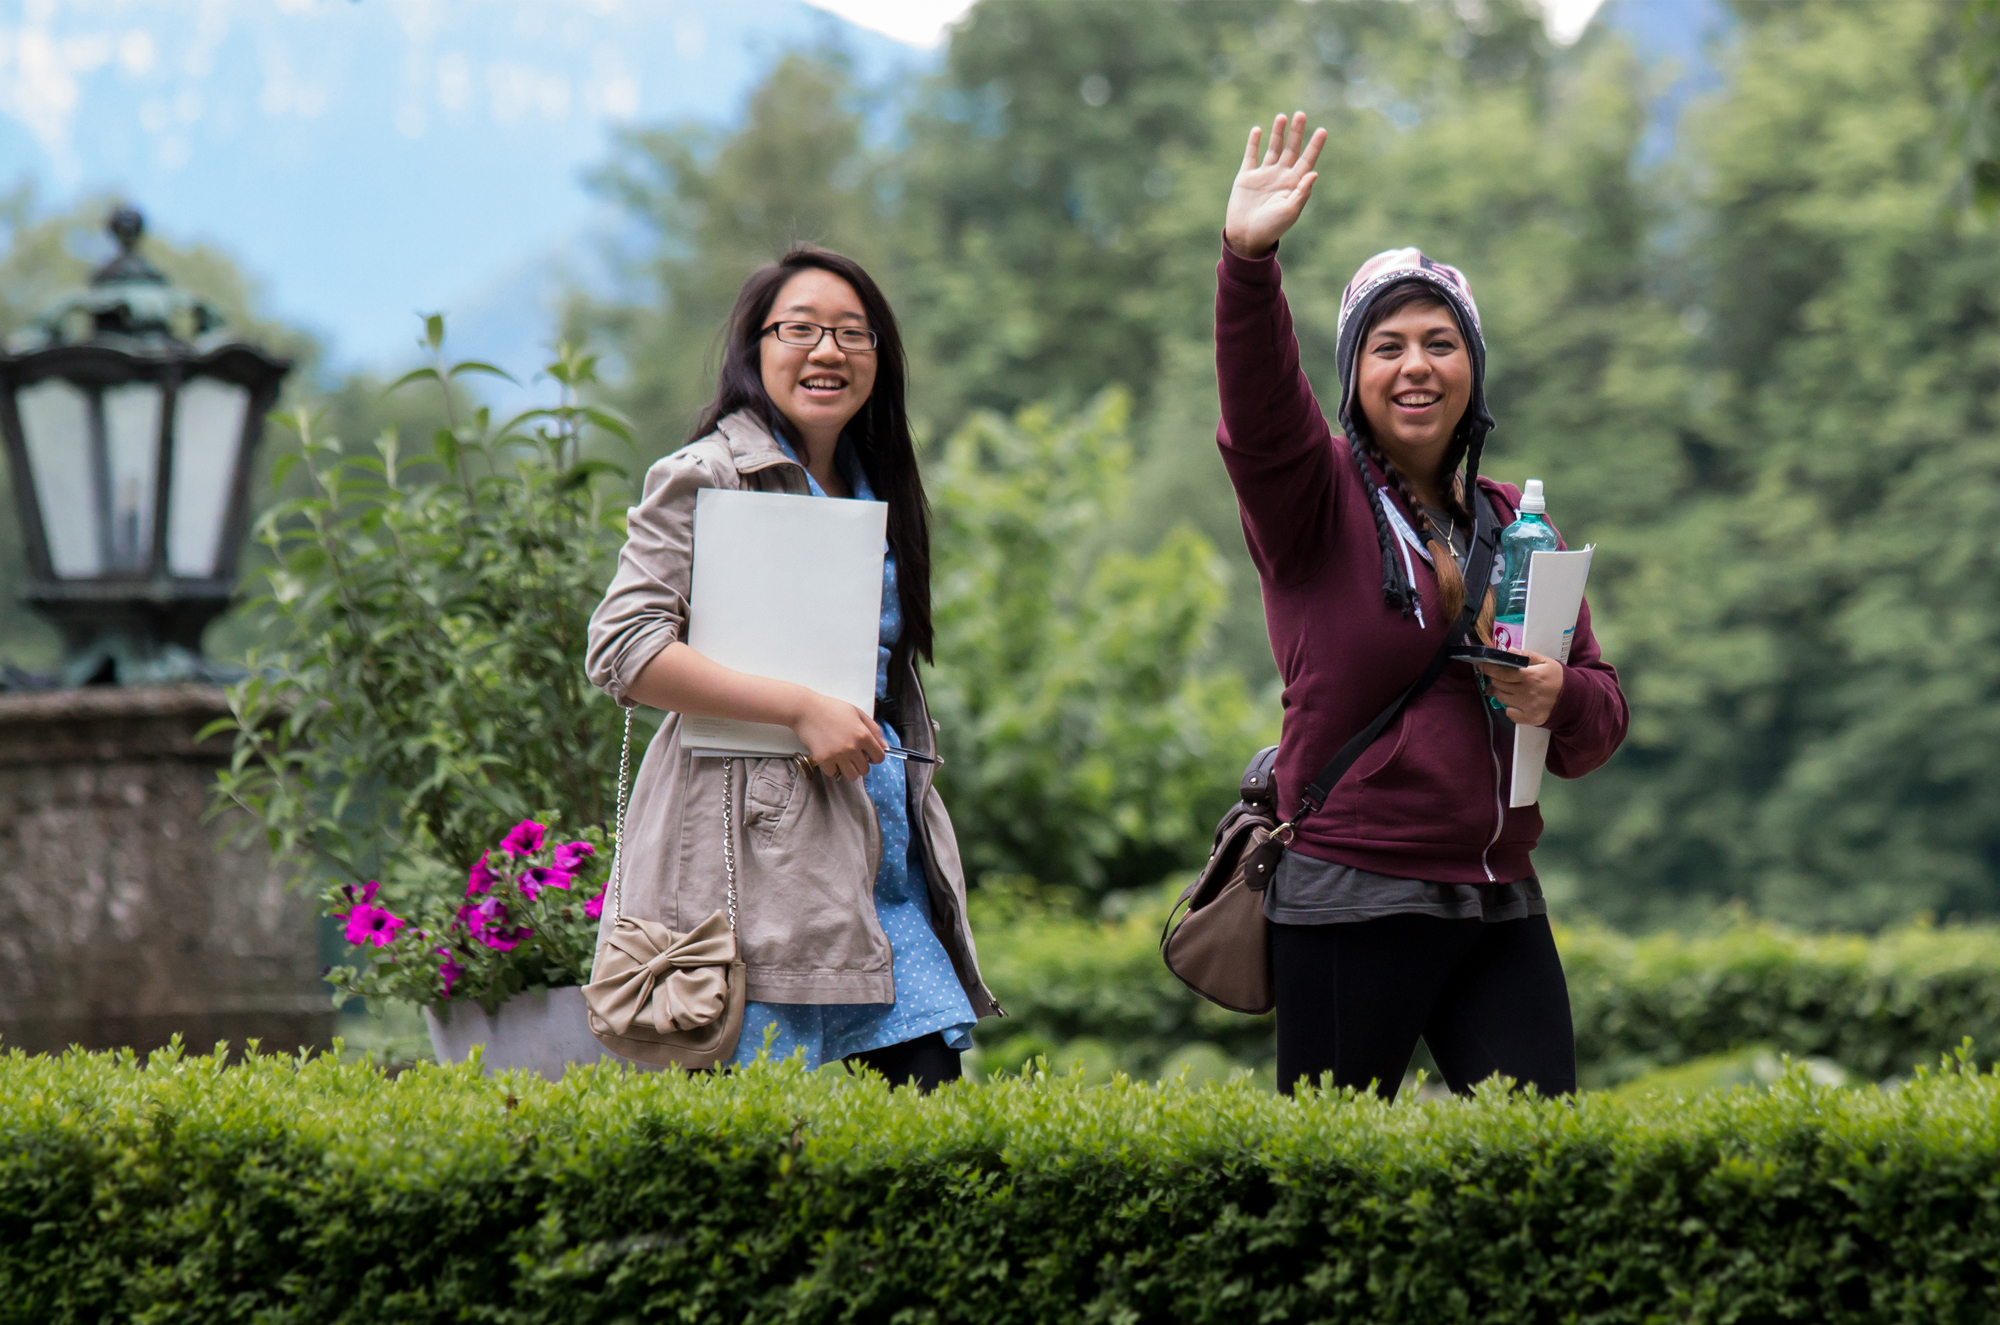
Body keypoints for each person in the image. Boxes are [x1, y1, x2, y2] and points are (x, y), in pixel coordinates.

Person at [1214, 113, 1629, 1099]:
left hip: (1495, 895)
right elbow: (1259, 408)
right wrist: (1248, 261)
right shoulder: (1309, 499)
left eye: (1439, 342)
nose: (1415, 365)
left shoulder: (1509, 522)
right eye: (1386, 345)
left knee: (1542, 1167)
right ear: (1352, 378)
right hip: (1351, 889)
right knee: (1319, 1187)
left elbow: (1598, 718)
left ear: (1470, 369)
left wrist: (1555, 696)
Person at [584, 245, 998, 1092]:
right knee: (767, 1145)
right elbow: (623, 646)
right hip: (752, 855)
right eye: (801, 329)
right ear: (755, 347)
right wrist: (799, 709)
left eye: (854, 333)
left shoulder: (870, 482)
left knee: (926, 1105)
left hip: (874, 838)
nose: (829, 351)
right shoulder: (705, 475)